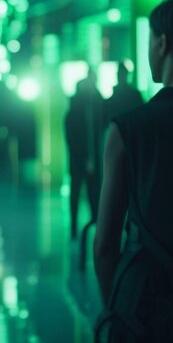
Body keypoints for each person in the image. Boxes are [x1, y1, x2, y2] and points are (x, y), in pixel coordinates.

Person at [94, 0, 173, 343]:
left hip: (142, 304)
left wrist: (116, 308)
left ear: (162, 44)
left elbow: (104, 244)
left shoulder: (126, 130)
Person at [64, 68, 105, 239]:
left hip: (84, 158)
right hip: (86, 158)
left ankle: (84, 224)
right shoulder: (89, 107)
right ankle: (88, 223)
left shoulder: (78, 109)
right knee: (89, 192)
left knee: (83, 192)